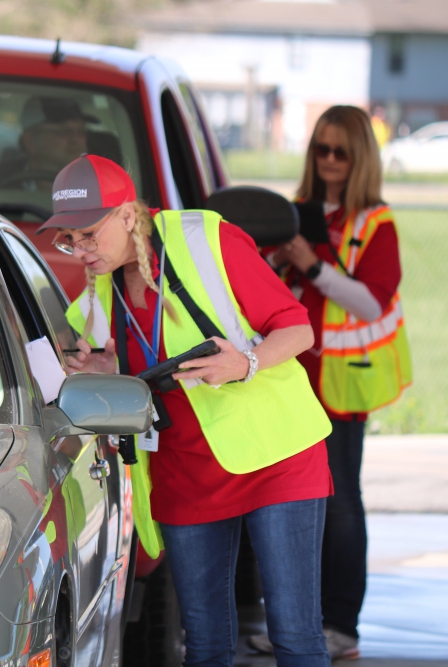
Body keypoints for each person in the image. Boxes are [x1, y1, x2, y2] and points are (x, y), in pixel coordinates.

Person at [48, 154, 334, 667]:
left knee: (295, 639)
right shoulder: (97, 288)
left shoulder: (206, 241)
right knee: (204, 646)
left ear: (128, 216)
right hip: (185, 468)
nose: (79, 251)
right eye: (68, 240)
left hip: (275, 454)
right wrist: (107, 364)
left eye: (88, 234)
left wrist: (245, 363)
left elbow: (299, 329)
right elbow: (126, 366)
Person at [250, 105, 410, 661]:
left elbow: (372, 300)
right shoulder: (296, 213)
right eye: (322, 149)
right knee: (289, 505)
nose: (331, 161)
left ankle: (340, 626)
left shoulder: (375, 222)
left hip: (342, 385)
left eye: (341, 151)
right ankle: (296, 624)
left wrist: (313, 265)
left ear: (361, 156)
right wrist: (277, 261)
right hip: (289, 380)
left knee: (340, 506)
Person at [0, 96, 93, 194]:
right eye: (64, 132)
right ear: (30, 141)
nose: (76, 139)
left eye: (81, 131)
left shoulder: (101, 185)